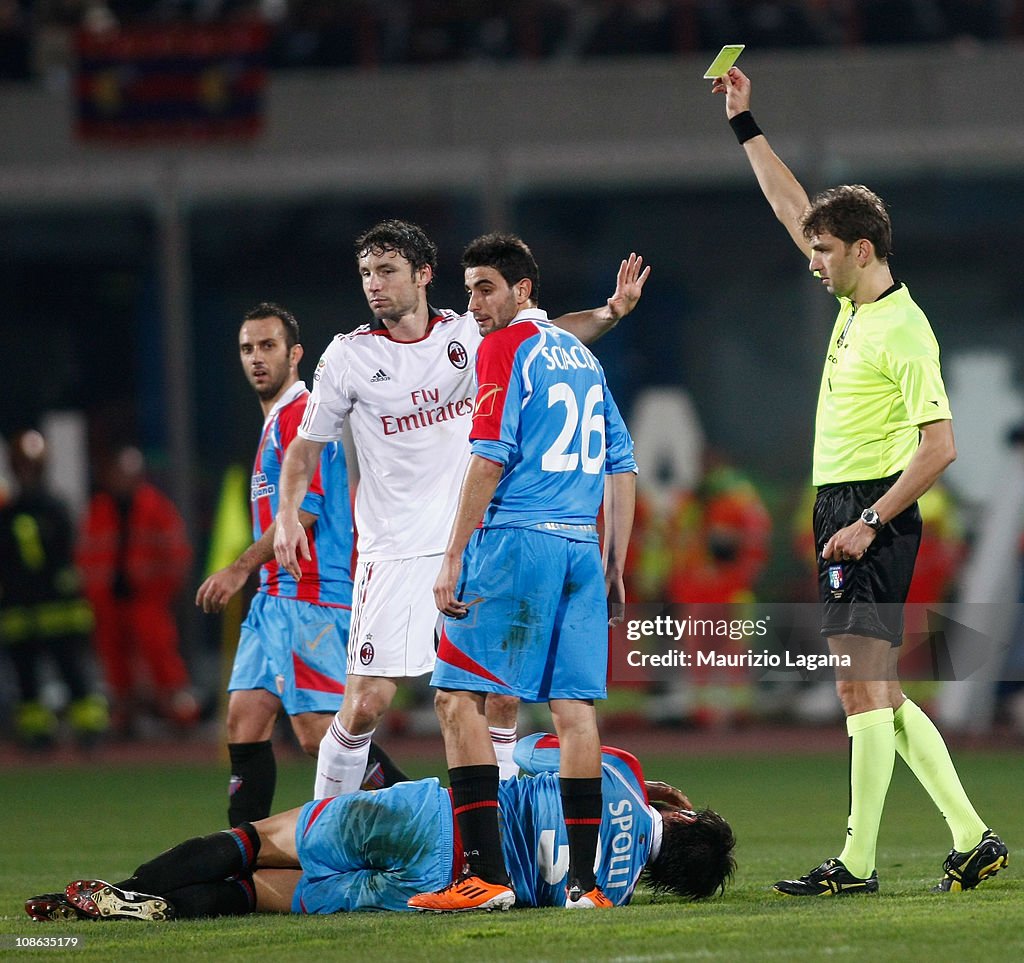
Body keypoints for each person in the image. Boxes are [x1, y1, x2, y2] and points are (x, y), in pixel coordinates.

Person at [711, 66, 1008, 895]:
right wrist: (745, 124)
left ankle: (858, 862)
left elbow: (942, 445)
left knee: (858, 686)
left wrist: (871, 520)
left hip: (871, 505)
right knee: (877, 687)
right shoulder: (857, 304)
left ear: (864, 250)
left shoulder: (904, 330)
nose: (811, 260)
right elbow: (787, 201)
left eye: (824, 250)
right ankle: (972, 836)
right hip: (845, 504)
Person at [274, 220, 649, 800]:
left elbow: (548, 338)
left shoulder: (470, 336)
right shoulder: (349, 356)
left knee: (498, 695)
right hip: (392, 551)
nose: (374, 285)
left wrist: (612, 312)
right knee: (366, 704)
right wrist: (286, 516)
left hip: (474, 545)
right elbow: (305, 446)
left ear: (424, 275)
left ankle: (498, 832)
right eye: (367, 274)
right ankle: (327, 827)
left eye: (388, 271)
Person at [409, 234, 638, 913]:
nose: (474, 302)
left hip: (517, 541)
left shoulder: (505, 349)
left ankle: (483, 873)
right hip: (578, 549)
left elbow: (488, 458)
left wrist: (453, 553)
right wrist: (615, 558)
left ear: (522, 291)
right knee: (574, 711)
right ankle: (586, 885)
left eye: (486, 287)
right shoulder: (583, 360)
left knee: (455, 697)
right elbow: (620, 462)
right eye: (470, 288)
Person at [25, 733, 735, 921]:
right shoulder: (617, 891)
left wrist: (651, 790)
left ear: (685, 813)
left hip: (440, 818)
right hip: (438, 889)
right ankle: (154, 909)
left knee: (257, 840)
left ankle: (118, 891)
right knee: (267, 893)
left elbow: (522, 755)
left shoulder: (623, 772)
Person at [195, 303, 406, 827]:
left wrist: (239, 567)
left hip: (310, 595)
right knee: (245, 722)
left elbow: (306, 512)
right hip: (273, 599)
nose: (256, 358)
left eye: (268, 347)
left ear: (294, 355)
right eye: (247, 348)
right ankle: (241, 852)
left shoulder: (302, 416)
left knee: (317, 733)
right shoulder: (275, 420)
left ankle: (422, 813)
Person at [76, 445, 199, 735]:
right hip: (109, 600)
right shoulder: (100, 509)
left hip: (148, 598)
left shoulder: (155, 507)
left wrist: (162, 590)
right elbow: (86, 555)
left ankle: (178, 712)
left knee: (160, 654)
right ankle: (124, 715)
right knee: (115, 659)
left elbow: (176, 554)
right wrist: (93, 592)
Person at [0, 429, 108, 750]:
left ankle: (88, 730)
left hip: (54, 608)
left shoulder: (48, 508)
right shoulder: (23, 510)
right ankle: (38, 733)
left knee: (71, 671)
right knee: (26, 677)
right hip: (24, 608)